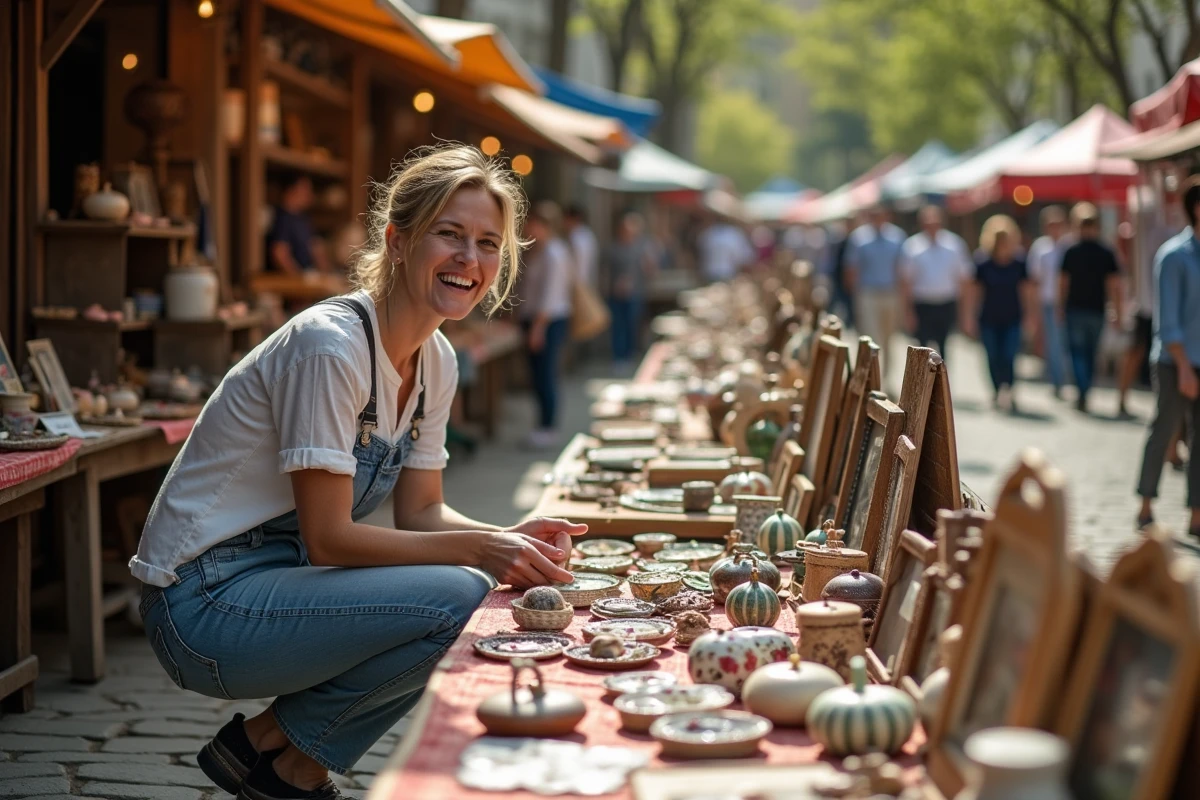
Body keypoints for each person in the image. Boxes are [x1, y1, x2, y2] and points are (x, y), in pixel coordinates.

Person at [131, 146, 586, 800]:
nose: (470, 259)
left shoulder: (437, 362)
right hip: (199, 604)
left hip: (274, 582)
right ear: (398, 242)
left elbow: (422, 512)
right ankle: (286, 759)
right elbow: (331, 540)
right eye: (449, 234)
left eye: (488, 243)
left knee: (475, 589)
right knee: (459, 596)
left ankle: (278, 756)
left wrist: (511, 536)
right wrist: (487, 552)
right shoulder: (330, 346)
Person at [1136, 175, 1200, 538]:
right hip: (1174, 362)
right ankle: (1145, 504)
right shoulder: (1174, 256)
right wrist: (1185, 369)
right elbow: (1168, 322)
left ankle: (1196, 514)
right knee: (1164, 431)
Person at [520, 200, 575, 449]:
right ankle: (542, 424)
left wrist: (538, 328)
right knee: (539, 374)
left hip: (547, 321)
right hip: (535, 319)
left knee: (546, 375)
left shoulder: (554, 253)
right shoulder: (540, 250)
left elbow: (550, 296)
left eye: (533, 224)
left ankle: (547, 426)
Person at [1060, 202, 1123, 413]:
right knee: (1089, 353)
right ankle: (1084, 389)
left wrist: (1060, 307)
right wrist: (1117, 311)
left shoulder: (1071, 250)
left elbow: (1063, 283)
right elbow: (1114, 286)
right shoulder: (1105, 252)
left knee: (1079, 353)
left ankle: (1083, 390)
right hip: (1095, 310)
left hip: (1078, 309)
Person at [967, 214, 1031, 413]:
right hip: (989, 317)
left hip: (1013, 316)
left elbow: (1027, 291)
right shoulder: (982, 262)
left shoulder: (1019, 262)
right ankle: (996, 390)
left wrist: (1031, 317)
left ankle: (1009, 390)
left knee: (1009, 355)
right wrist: (969, 317)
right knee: (992, 356)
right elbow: (974, 291)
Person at [899, 205, 973, 361]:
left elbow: (964, 279)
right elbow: (906, 281)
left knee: (944, 346)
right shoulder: (912, 246)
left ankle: (940, 383)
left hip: (946, 303)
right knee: (922, 348)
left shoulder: (954, 244)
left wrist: (965, 313)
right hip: (922, 304)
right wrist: (908, 311)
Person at [846, 205, 906, 375]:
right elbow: (852, 269)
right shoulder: (859, 238)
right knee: (872, 336)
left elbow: (902, 269)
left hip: (891, 293)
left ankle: (887, 376)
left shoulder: (897, 236)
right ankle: (873, 376)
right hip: (868, 294)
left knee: (889, 339)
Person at [1026, 206, 1071, 398]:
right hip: (1049, 301)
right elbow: (1034, 280)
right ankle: (1058, 379)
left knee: (1065, 341)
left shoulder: (1069, 246)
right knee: (1054, 341)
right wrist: (1033, 309)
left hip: (1069, 303)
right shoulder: (1040, 248)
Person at [606, 211, 656, 373]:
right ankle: (618, 357)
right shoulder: (614, 248)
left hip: (635, 292)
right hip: (616, 293)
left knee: (631, 325)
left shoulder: (641, 248)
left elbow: (651, 270)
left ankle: (628, 355)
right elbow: (606, 270)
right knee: (617, 326)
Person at [266, 173, 331, 274]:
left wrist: (327, 273)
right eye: (305, 189)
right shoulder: (282, 218)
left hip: (309, 274)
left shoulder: (303, 219)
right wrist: (298, 278)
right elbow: (279, 253)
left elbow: (316, 248)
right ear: (291, 190)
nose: (309, 194)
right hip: (288, 280)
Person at [697, 215, 754, 283]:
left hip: (708, 273)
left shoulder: (707, 233)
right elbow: (742, 257)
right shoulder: (734, 234)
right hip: (727, 274)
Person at [563, 204, 598, 291]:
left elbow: (580, 266)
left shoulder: (576, 238)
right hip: (587, 283)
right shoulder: (588, 234)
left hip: (579, 285)